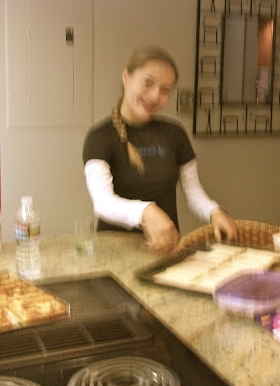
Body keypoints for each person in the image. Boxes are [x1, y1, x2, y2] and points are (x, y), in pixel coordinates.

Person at [82, 45, 237, 252]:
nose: (155, 96)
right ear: (126, 78)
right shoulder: (100, 137)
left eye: (165, 89)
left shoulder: (174, 133)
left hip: (165, 250)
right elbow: (103, 203)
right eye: (148, 83)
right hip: (114, 253)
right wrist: (146, 211)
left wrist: (214, 211)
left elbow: (193, 191)